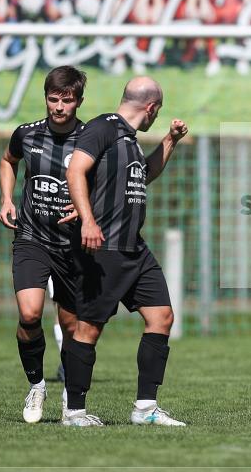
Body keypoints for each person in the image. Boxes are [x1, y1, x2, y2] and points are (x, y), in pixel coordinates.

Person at [64, 77, 189, 427]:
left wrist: (169, 140)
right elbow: (75, 169)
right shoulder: (103, 127)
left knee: (161, 317)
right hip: (104, 247)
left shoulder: (129, 142)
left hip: (134, 248)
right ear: (151, 108)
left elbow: (144, 174)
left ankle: (145, 408)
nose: (156, 117)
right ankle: (73, 412)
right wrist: (88, 220)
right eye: (157, 113)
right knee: (88, 329)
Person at [0, 66, 87, 424]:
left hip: (74, 246)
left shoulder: (91, 138)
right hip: (32, 238)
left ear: (79, 101)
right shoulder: (27, 134)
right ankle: (37, 385)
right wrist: (6, 199)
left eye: (67, 100)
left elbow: (110, 181)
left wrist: (87, 208)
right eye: (53, 99)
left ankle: (70, 395)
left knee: (70, 325)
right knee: (30, 314)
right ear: (46, 98)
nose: (59, 107)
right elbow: (8, 160)